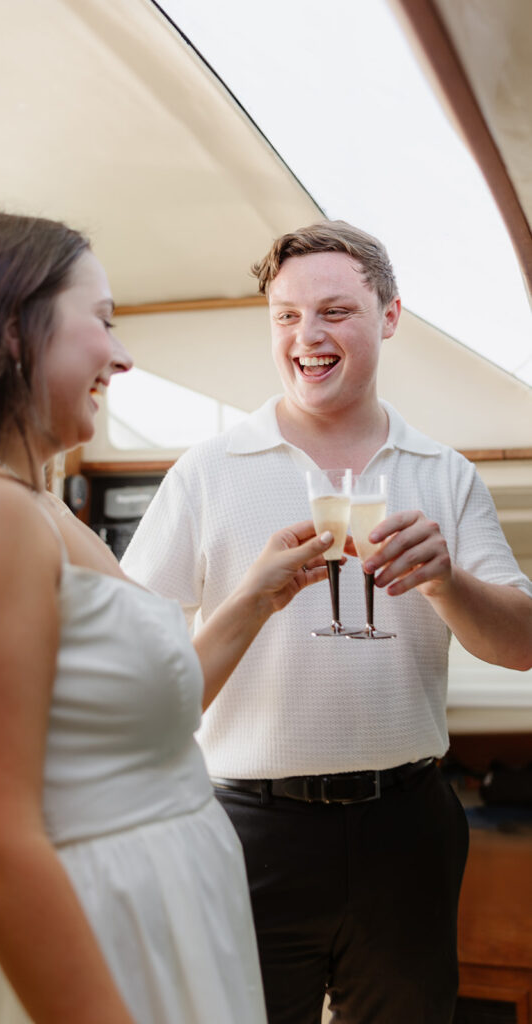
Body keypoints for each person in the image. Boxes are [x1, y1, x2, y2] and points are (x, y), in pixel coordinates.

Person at [0, 211, 341, 1024]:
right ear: (14, 329)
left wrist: (255, 595)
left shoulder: (38, 508)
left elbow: (161, 708)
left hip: (162, 931)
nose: (122, 354)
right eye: (104, 321)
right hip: (90, 948)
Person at [121, 219, 532, 1024]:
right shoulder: (206, 472)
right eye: (284, 315)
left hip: (407, 828)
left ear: (388, 316)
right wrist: (249, 598)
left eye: (334, 312)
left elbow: (520, 645)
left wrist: (446, 581)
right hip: (245, 831)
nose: (306, 336)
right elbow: (140, 672)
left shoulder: (441, 474)